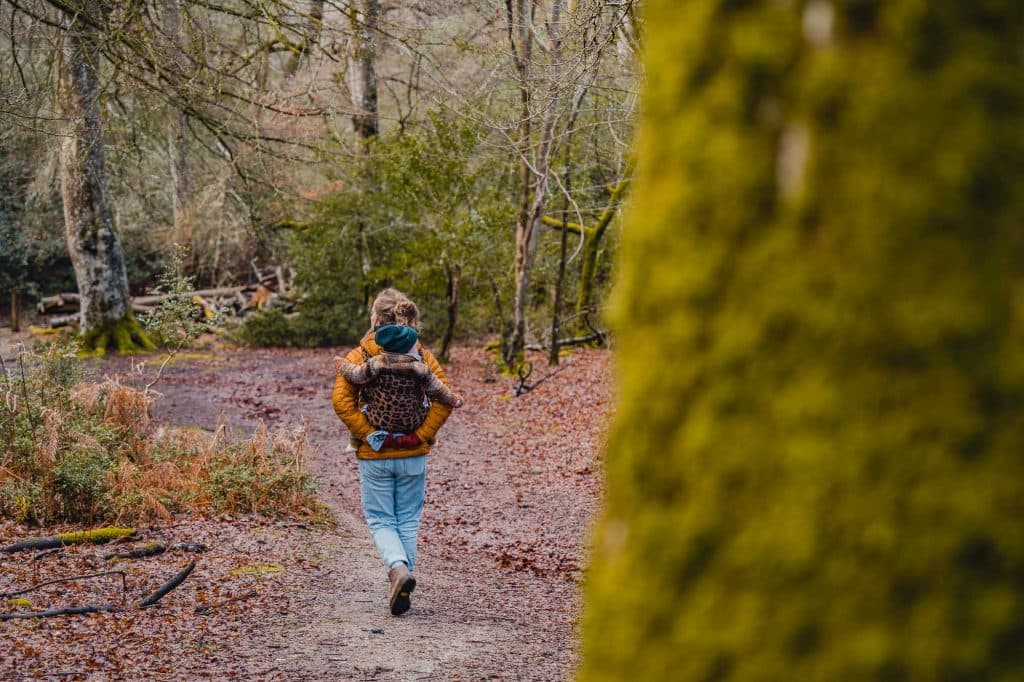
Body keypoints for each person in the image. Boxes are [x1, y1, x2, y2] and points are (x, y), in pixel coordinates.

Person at [332, 288, 455, 616]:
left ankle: (399, 570)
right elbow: (445, 399)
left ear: (375, 318)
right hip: (413, 452)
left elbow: (341, 402)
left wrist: (370, 434)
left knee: (380, 518)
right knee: (408, 519)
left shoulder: (360, 356)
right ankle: (401, 582)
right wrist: (421, 434)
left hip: (375, 455)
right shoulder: (422, 356)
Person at [336, 322, 463, 452]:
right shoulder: (419, 368)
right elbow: (438, 390)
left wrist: (342, 365)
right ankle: (430, 439)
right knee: (427, 407)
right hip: (412, 422)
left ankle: (354, 442)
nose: (418, 347)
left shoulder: (375, 364)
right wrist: (453, 399)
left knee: (362, 409)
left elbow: (355, 375)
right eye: (414, 345)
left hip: (378, 421)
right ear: (407, 349)